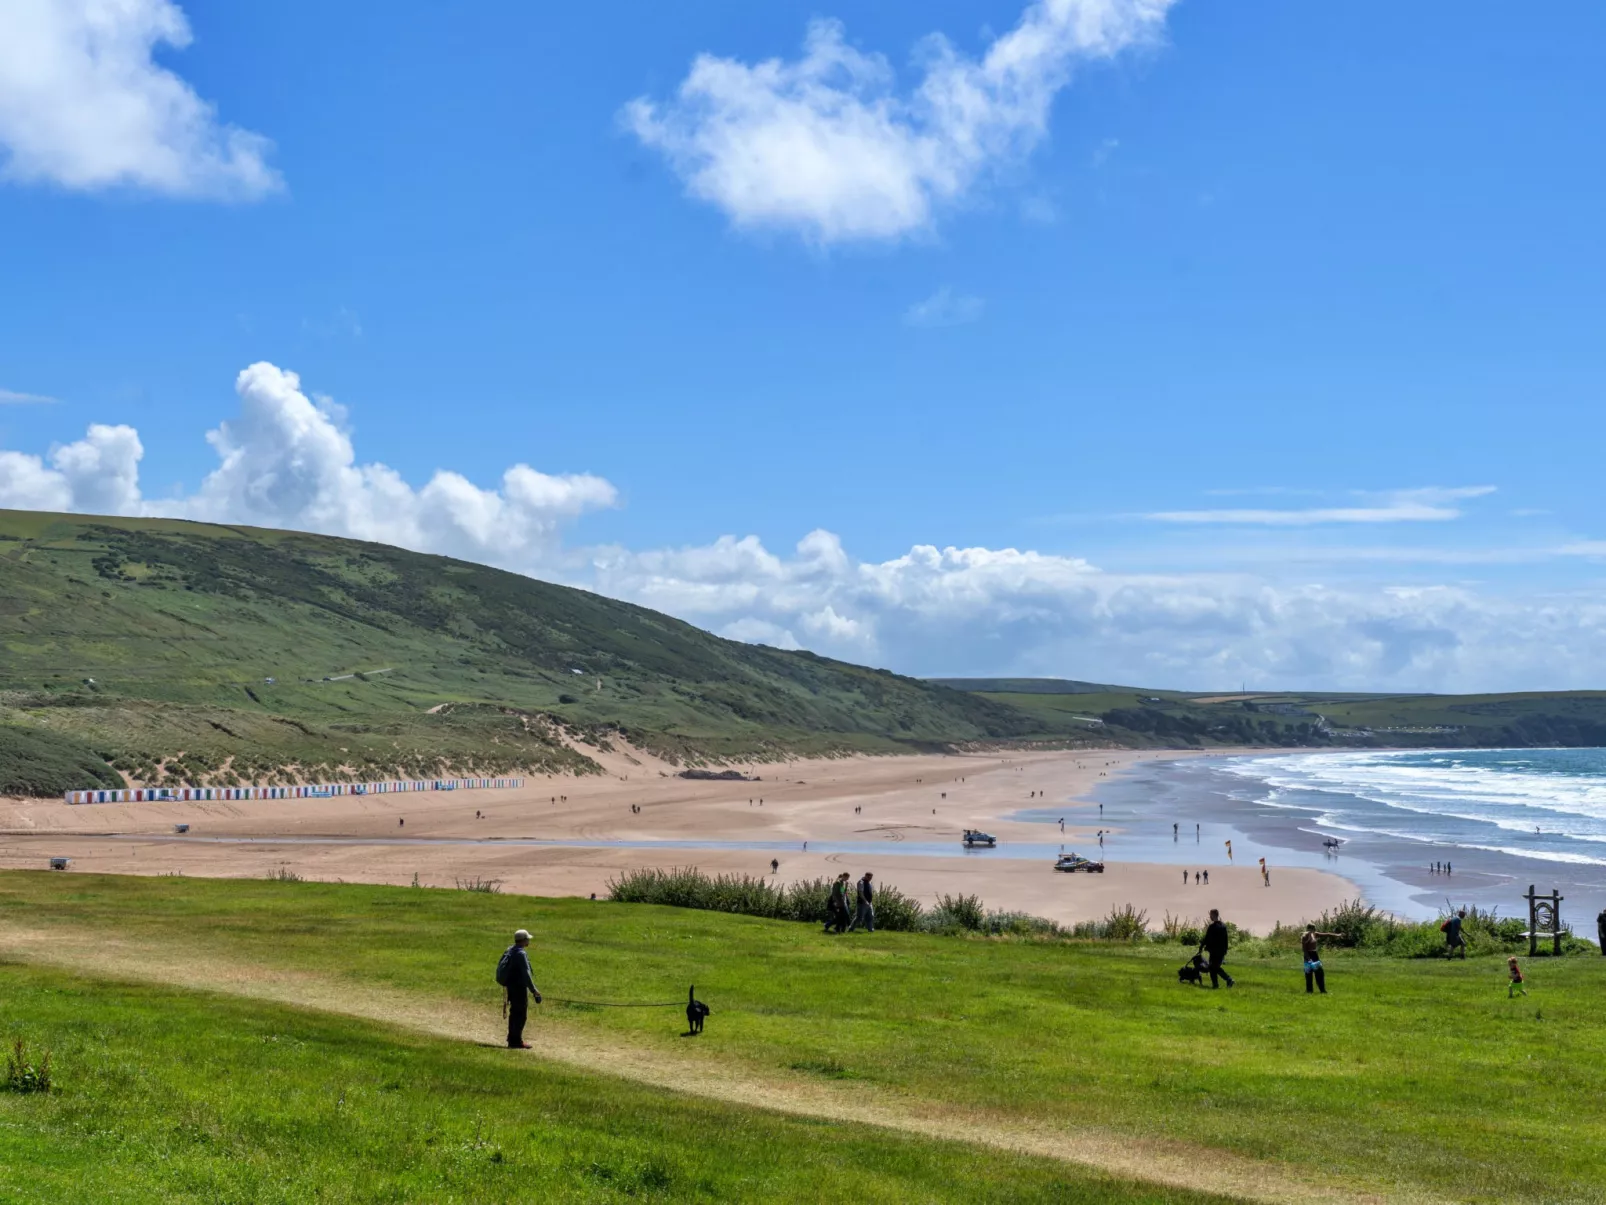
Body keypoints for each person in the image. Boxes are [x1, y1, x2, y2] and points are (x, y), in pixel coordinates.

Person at [499, 929, 542, 1049]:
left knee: (514, 1013)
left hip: (511, 986)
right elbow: (526, 974)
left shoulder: (510, 949)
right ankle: (516, 1041)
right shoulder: (521, 954)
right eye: (527, 939)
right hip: (519, 987)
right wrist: (534, 990)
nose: (528, 941)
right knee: (520, 1015)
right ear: (523, 940)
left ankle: (512, 1038)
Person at [1301, 923, 1341, 994]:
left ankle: (1322, 990)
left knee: (1319, 972)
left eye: (1315, 928)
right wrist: (1309, 959)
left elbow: (1327, 934)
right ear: (1309, 929)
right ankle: (1309, 991)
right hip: (1308, 955)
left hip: (1314, 955)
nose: (1315, 930)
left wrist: (1337, 935)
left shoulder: (1314, 934)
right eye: (1313, 928)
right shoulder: (1305, 936)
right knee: (1309, 973)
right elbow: (1304, 950)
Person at [1199, 909, 1234, 988]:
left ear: (1213, 915)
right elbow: (1226, 939)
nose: (1210, 917)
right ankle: (1216, 985)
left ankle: (1228, 979)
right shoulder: (1223, 926)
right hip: (1221, 951)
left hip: (1214, 951)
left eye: (1210, 915)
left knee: (1213, 967)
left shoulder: (1212, 927)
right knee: (1214, 967)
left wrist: (1201, 946)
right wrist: (1225, 950)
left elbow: (1207, 938)